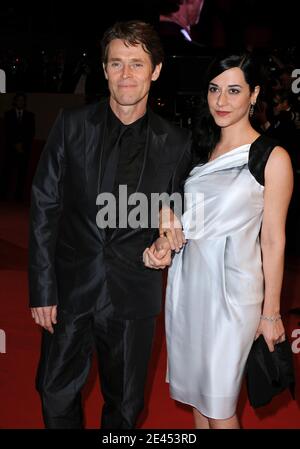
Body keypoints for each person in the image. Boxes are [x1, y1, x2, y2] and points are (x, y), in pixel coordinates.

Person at [28, 20, 192, 429]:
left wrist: (167, 240)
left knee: (126, 406)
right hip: (70, 290)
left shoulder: (176, 143)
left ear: (155, 70)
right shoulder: (71, 125)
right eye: (116, 63)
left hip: (133, 293)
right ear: (104, 69)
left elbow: (179, 214)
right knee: (54, 389)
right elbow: (44, 207)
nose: (126, 75)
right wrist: (43, 289)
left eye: (137, 64)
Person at [144, 51, 293, 428]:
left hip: (234, 295)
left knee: (220, 404)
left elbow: (274, 239)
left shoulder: (271, 157)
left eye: (233, 91)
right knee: (198, 399)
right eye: (214, 90)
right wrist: (165, 226)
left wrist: (271, 313)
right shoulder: (197, 149)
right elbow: (174, 207)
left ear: (254, 95)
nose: (221, 101)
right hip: (189, 286)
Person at [1, 92, 35, 201]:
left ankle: (18, 198)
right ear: (15, 101)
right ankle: (4, 197)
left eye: (23, 100)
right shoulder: (8, 114)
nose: (21, 102)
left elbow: (31, 133)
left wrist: (22, 145)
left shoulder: (30, 116)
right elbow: (7, 131)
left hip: (24, 150)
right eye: (19, 100)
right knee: (7, 174)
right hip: (11, 149)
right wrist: (15, 144)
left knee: (22, 175)